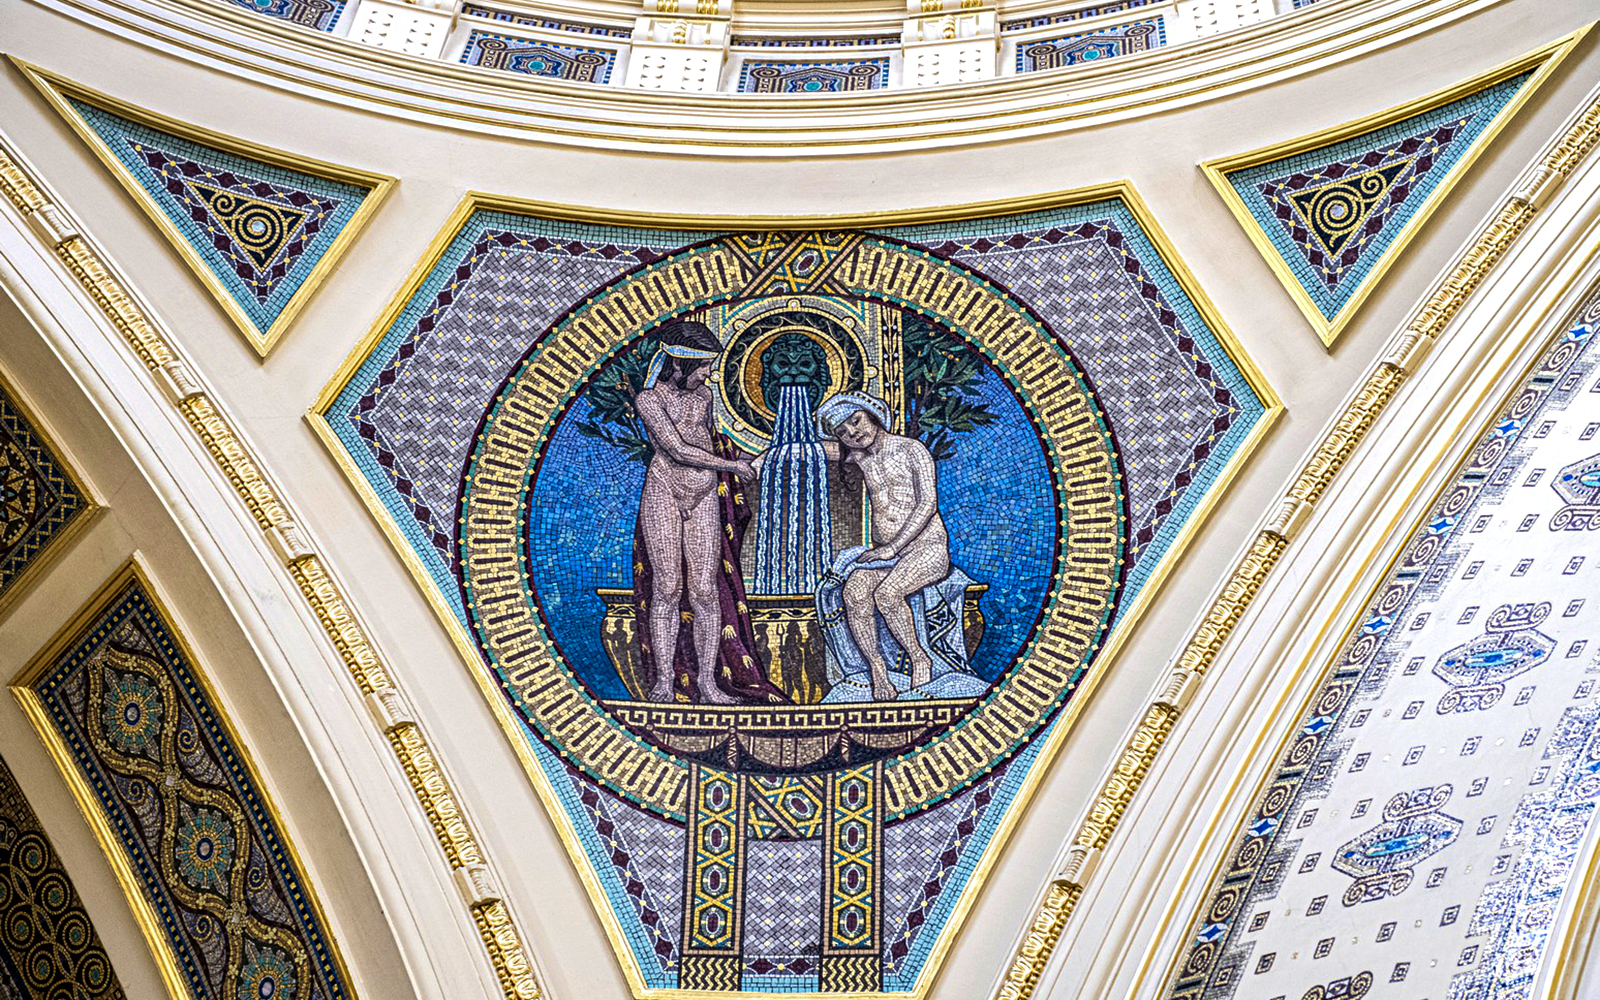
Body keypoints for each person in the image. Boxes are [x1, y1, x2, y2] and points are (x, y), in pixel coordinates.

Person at [632, 319, 787, 705]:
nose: (708, 373)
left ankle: (707, 682)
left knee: (704, 591)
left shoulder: (704, 398)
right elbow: (677, 450)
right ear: (680, 362)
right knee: (667, 588)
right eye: (702, 365)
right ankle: (665, 682)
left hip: (702, 496)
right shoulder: (649, 400)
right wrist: (733, 467)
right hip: (665, 492)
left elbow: (709, 439)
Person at [811, 391, 981, 703]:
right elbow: (802, 452)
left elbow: (928, 503)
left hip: (926, 549)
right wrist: (749, 461)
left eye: (856, 421)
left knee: (887, 594)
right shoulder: (858, 457)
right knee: (854, 591)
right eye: (843, 432)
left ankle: (920, 658)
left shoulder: (911, 448)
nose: (853, 432)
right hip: (888, 556)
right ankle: (877, 670)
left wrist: (893, 547)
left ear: (871, 414)